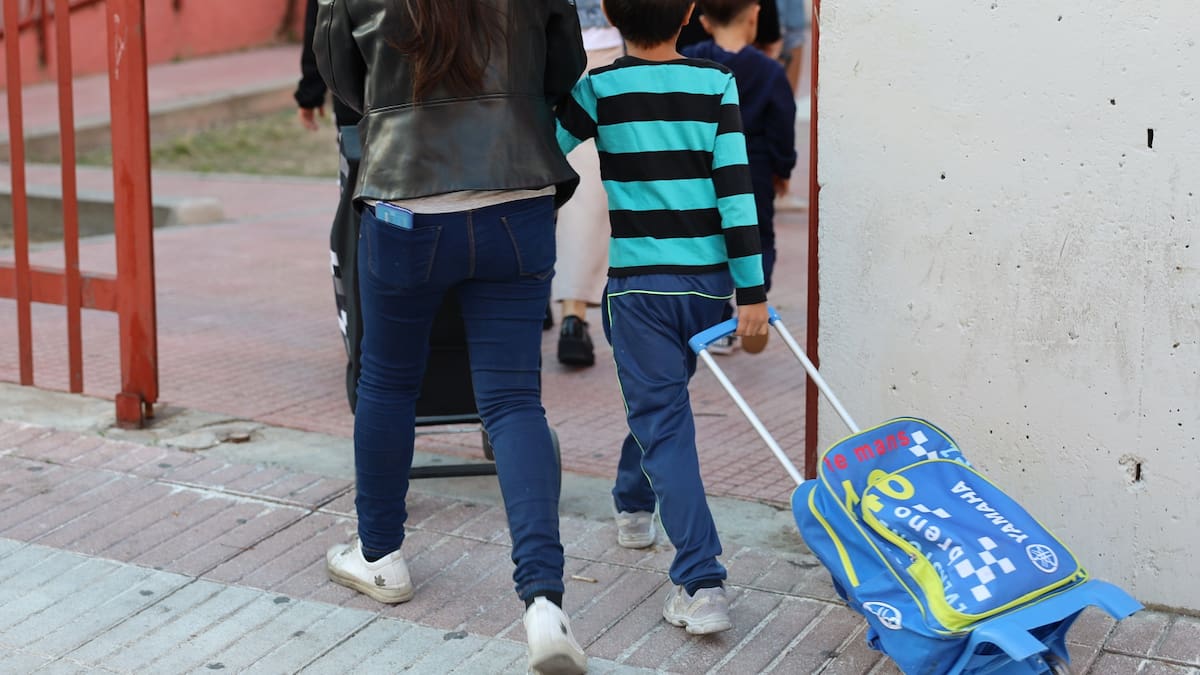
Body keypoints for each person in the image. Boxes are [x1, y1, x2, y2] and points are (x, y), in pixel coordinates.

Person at [313, 2, 589, 673]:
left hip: (405, 199)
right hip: (515, 191)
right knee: (516, 402)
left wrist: (394, 100)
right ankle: (544, 604)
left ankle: (380, 556)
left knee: (387, 381)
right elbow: (567, 65)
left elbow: (339, 74)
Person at [556, 0, 770, 635]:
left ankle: (701, 583)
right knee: (663, 406)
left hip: (638, 291)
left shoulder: (598, 88)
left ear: (612, 18)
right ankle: (631, 500)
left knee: (663, 418)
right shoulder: (716, 84)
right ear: (689, 15)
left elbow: (544, 153)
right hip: (705, 291)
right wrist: (751, 294)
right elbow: (737, 192)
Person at [683, 0, 797, 352]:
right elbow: (782, 127)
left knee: (709, 240)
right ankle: (753, 303)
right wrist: (783, 168)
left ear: (702, 21)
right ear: (753, 16)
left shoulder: (690, 61)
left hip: (701, 172)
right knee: (759, 238)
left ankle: (718, 317)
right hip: (754, 172)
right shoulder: (769, 71)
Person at [295, 0, 366, 411]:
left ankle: (363, 341)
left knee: (360, 223)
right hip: (448, 103)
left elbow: (322, 20)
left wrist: (313, 87)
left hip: (359, 106)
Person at [552, 0, 624, 368]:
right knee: (587, 188)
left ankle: (544, 295)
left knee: (530, 164)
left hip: (525, 40)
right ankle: (572, 313)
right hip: (598, 41)